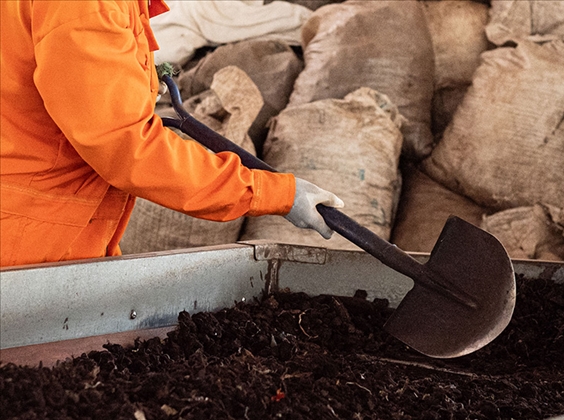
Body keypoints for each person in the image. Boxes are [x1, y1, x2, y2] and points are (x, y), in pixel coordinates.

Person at [0, 0, 343, 268]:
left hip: (42, 215)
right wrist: (272, 193)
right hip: (34, 236)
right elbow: (128, 146)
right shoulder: (87, 7)